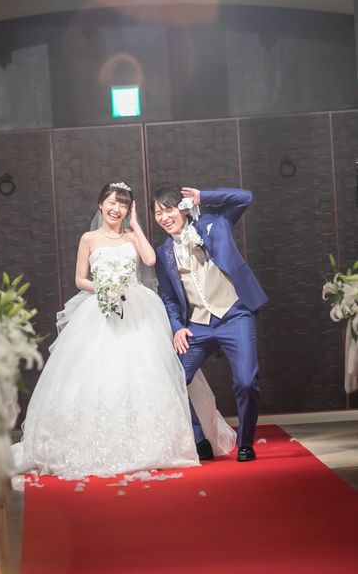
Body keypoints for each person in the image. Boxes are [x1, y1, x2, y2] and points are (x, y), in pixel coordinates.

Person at [14, 182, 234, 480]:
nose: (116, 209)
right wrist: (104, 288)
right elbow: (80, 279)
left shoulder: (131, 236)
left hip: (137, 310)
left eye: (123, 204)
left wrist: (137, 225)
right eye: (112, 203)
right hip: (101, 310)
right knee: (99, 375)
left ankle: (151, 443)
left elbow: (150, 259)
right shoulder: (89, 238)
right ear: (101, 204)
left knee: (143, 372)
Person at [153, 185, 268, 462]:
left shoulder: (215, 223)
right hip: (197, 325)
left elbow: (245, 197)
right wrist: (177, 327)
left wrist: (203, 197)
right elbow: (168, 298)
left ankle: (245, 443)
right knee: (173, 379)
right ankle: (199, 439)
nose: (164, 217)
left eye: (169, 209)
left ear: (182, 208)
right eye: (158, 213)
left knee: (246, 381)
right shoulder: (163, 252)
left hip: (234, 315)